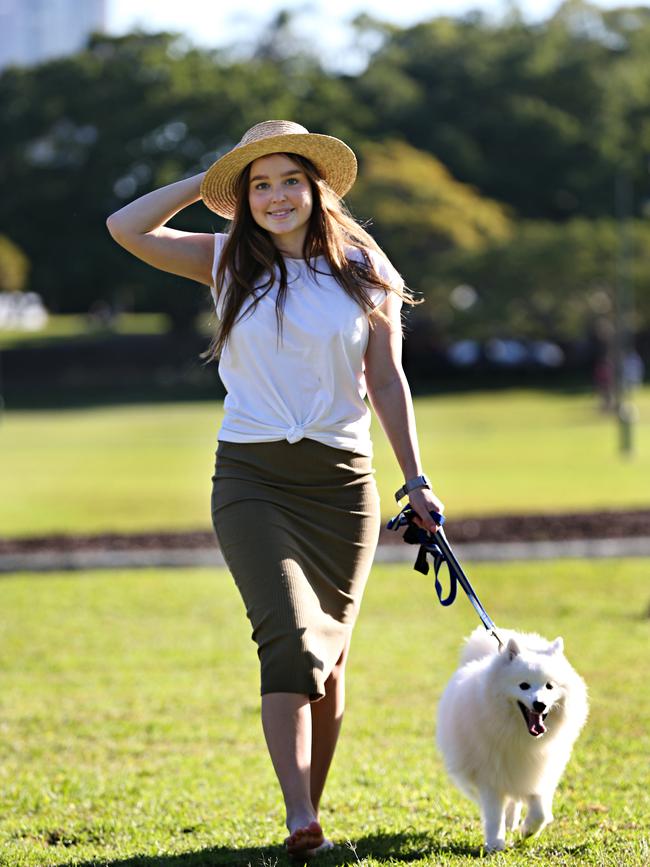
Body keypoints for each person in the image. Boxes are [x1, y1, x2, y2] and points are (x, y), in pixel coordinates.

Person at [106, 119, 444, 858]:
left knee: (332, 657)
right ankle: (298, 814)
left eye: (290, 179)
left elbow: (387, 380)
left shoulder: (363, 270)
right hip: (252, 477)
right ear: (244, 198)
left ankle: (310, 813)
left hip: (343, 482)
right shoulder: (225, 257)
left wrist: (414, 477)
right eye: (259, 184)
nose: (277, 195)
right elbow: (124, 225)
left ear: (317, 188)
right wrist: (211, 183)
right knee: (290, 637)